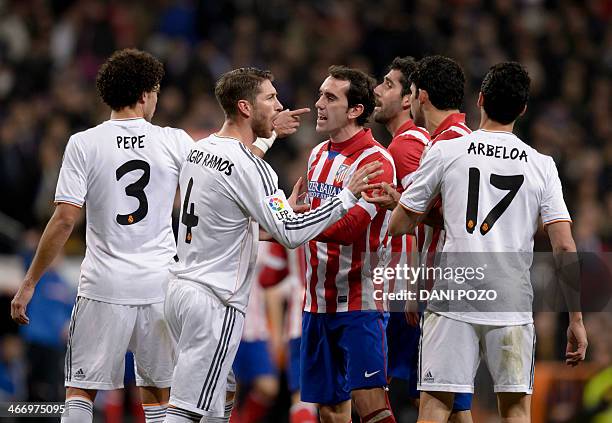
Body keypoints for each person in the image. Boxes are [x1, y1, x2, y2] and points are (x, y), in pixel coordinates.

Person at [163, 67, 381, 423]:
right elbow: (291, 233)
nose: (280, 106)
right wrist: (346, 197)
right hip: (214, 300)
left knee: (221, 396)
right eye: (270, 98)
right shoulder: (255, 169)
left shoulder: (199, 149)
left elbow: (231, 218)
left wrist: (267, 144)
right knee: (187, 409)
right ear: (246, 107)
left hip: (181, 288)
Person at [387, 62, 588, 422]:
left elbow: (401, 224)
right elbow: (565, 246)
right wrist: (576, 319)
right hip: (510, 301)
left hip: (454, 295)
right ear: (523, 109)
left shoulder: (448, 152)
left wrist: (406, 207)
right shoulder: (541, 165)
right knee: (514, 411)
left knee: (434, 405)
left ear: (479, 99)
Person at [10, 48, 190, 423]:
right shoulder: (175, 141)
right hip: (160, 283)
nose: (156, 98)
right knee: (159, 394)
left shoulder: (84, 143)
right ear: (144, 94)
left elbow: (63, 221)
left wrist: (30, 282)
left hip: (103, 284)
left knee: (80, 391)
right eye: (155, 91)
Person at [368, 55, 474, 421]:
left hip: (443, 284)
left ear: (418, 96)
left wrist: (400, 205)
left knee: (424, 396)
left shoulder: (420, 145)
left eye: (392, 85)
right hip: (428, 284)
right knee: (446, 400)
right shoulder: (438, 139)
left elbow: (449, 220)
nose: (379, 91)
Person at [300, 65, 396, 423]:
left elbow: (351, 228)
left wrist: (299, 224)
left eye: (330, 97)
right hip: (316, 301)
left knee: (370, 404)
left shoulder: (375, 161)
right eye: (320, 94)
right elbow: (306, 212)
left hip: (360, 300)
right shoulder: (316, 155)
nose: (318, 104)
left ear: (355, 110)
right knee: (329, 409)